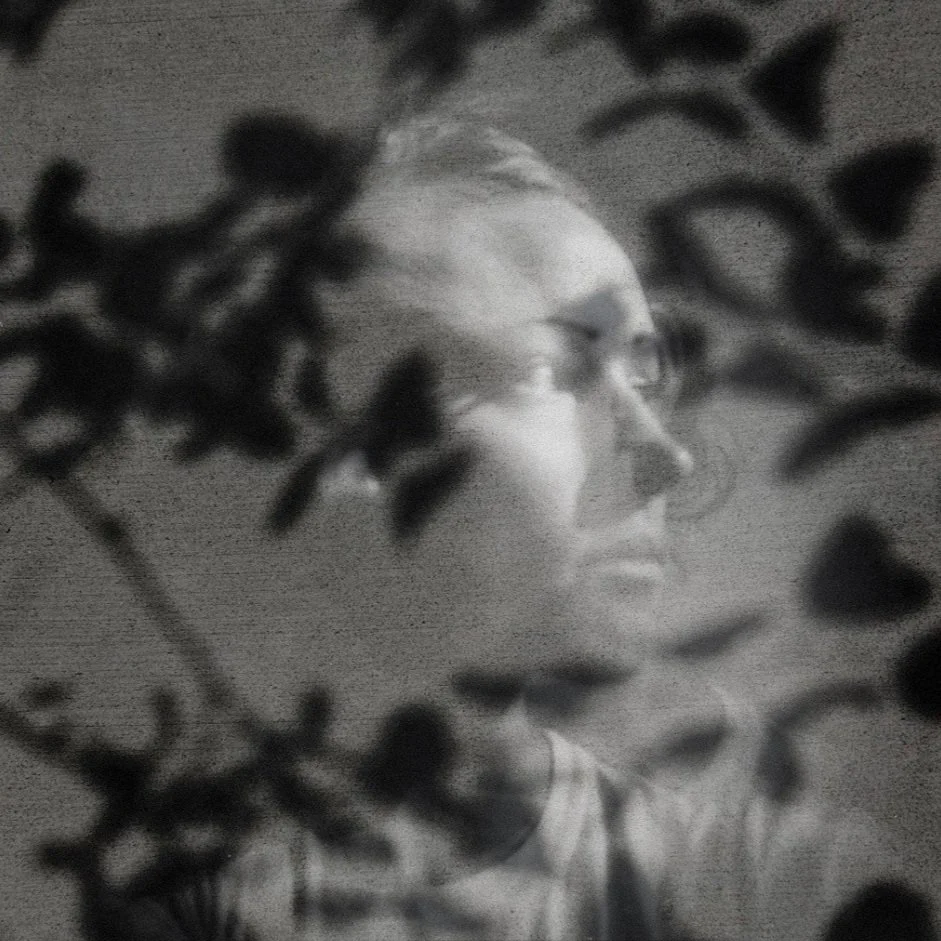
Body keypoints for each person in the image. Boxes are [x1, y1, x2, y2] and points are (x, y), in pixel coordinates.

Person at [114, 120, 893, 940]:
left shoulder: (783, 885)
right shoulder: (159, 897)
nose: (661, 456)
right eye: (545, 371)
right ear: (343, 452)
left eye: (643, 377)